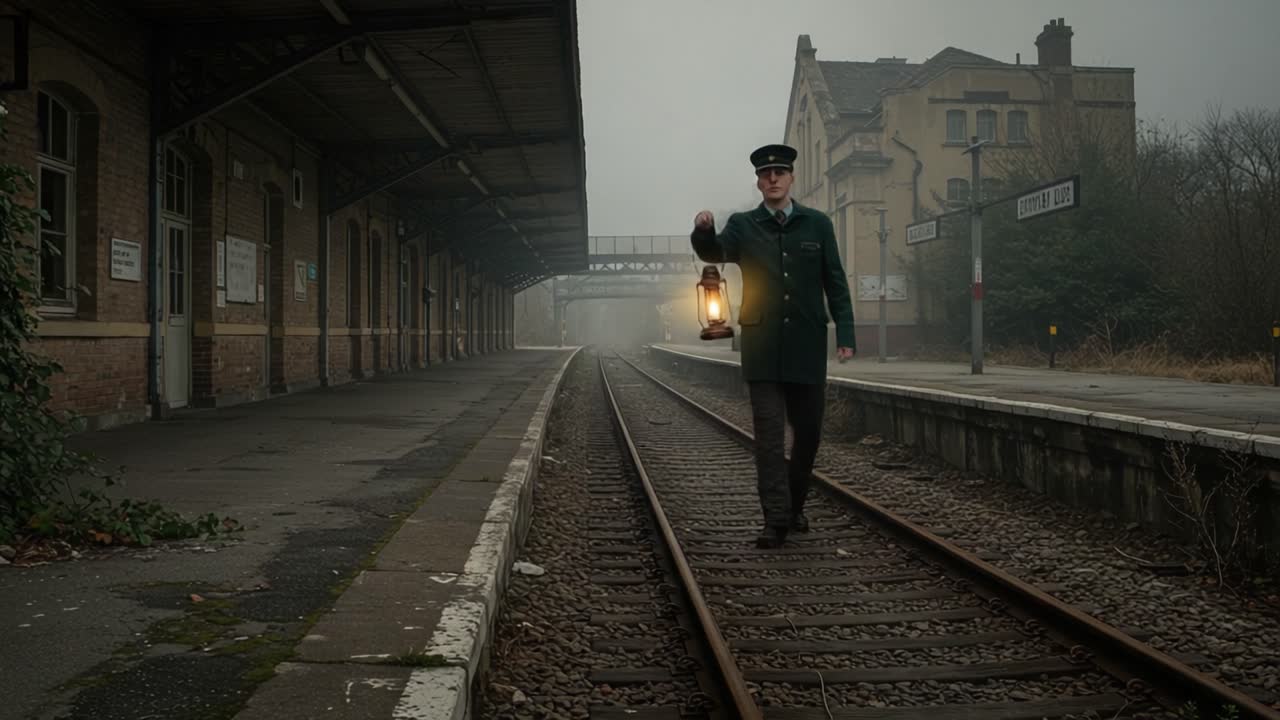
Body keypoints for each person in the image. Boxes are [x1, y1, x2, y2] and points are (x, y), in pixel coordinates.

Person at [690, 143, 856, 548]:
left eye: (780, 172)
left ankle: (796, 505)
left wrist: (846, 334)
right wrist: (703, 230)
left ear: (791, 177)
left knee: (809, 434)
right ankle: (776, 520)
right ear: (759, 182)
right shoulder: (744, 226)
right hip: (762, 348)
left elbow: (834, 279)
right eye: (766, 175)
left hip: (807, 345)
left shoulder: (818, 224)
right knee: (767, 439)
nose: (773, 179)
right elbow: (715, 252)